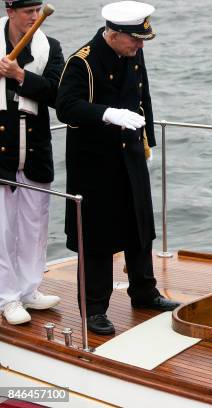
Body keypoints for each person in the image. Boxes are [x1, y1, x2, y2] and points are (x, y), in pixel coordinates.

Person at [56, 1, 179, 335]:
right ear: (114, 33)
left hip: (129, 154)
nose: (139, 46)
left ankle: (144, 292)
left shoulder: (132, 53)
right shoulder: (81, 62)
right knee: (96, 237)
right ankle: (94, 308)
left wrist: (148, 140)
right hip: (95, 163)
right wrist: (106, 113)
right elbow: (65, 107)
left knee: (139, 227)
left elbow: (144, 97)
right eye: (135, 39)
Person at [0, 0, 64, 325]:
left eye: (38, 11)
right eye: (29, 12)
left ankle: (29, 289)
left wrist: (19, 75)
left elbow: (57, 93)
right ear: (10, 11)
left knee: (34, 223)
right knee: (3, 227)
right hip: (1, 147)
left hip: (35, 147)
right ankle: (7, 297)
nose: (35, 18)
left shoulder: (50, 46)